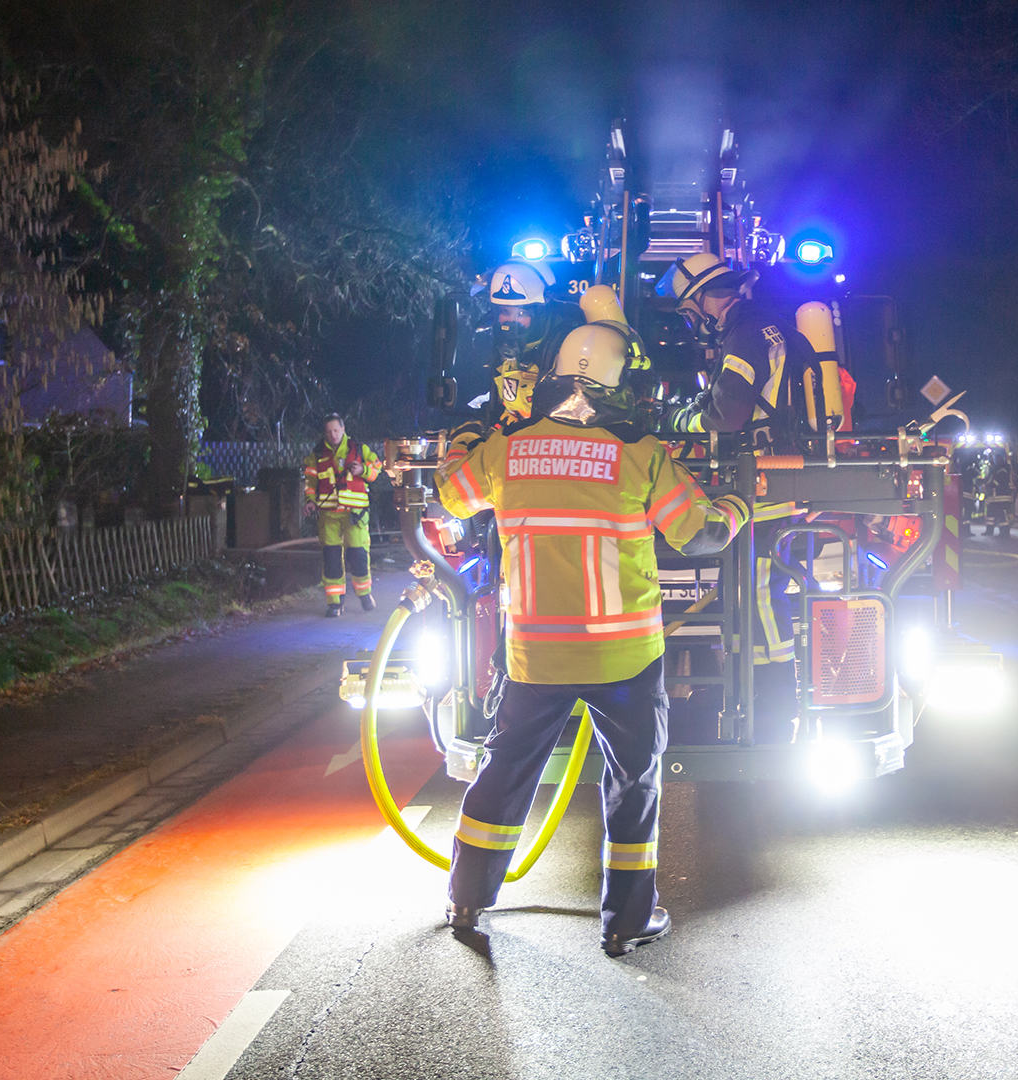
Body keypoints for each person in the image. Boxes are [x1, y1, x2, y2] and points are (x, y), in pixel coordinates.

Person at [436, 322, 751, 956]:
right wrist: (740, 505)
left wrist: (466, 437)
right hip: (624, 656)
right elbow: (700, 534)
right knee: (633, 782)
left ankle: (467, 898)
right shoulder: (640, 452)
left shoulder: (508, 447)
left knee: (505, 771)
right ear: (619, 382)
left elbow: (453, 494)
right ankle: (626, 921)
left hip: (535, 655)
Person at [663, 253, 815, 741]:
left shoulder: (745, 335)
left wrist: (678, 419)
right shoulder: (774, 327)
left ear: (705, 300)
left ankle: (773, 707)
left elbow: (726, 415)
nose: (693, 321)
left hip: (765, 481)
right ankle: (756, 701)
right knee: (754, 593)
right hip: (783, 477)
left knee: (760, 594)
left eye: (690, 311)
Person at [484, 259, 583, 429]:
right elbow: (513, 412)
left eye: (521, 313)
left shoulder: (567, 353)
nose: (511, 321)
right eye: (505, 312)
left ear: (541, 316)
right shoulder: (507, 356)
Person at [303, 413, 383, 616]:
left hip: (355, 514)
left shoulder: (359, 449)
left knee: (358, 554)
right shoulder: (317, 453)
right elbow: (310, 481)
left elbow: (377, 467)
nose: (333, 435)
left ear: (343, 429)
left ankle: (364, 594)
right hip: (328, 515)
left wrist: (363, 470)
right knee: (331, 558)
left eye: (336, 430)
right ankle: (335, 603)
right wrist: (310, 501)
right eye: (329, 431)